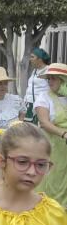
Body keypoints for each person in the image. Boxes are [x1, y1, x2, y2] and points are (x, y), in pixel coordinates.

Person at [35, 62, 67, 208]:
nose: (50, 81)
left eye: (54, 78)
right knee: (52, 179)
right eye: (49, 78)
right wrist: (63, 133)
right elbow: (44, 123)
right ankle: (49, 211)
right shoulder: (44, 97)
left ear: (63, 80)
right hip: (52, 146)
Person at [24, 47, 50, 123]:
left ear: (40, 59)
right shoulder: (35, 71)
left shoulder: (48, 70)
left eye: (32, 57)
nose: (30, 59)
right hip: (29, 105)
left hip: (40, 105)